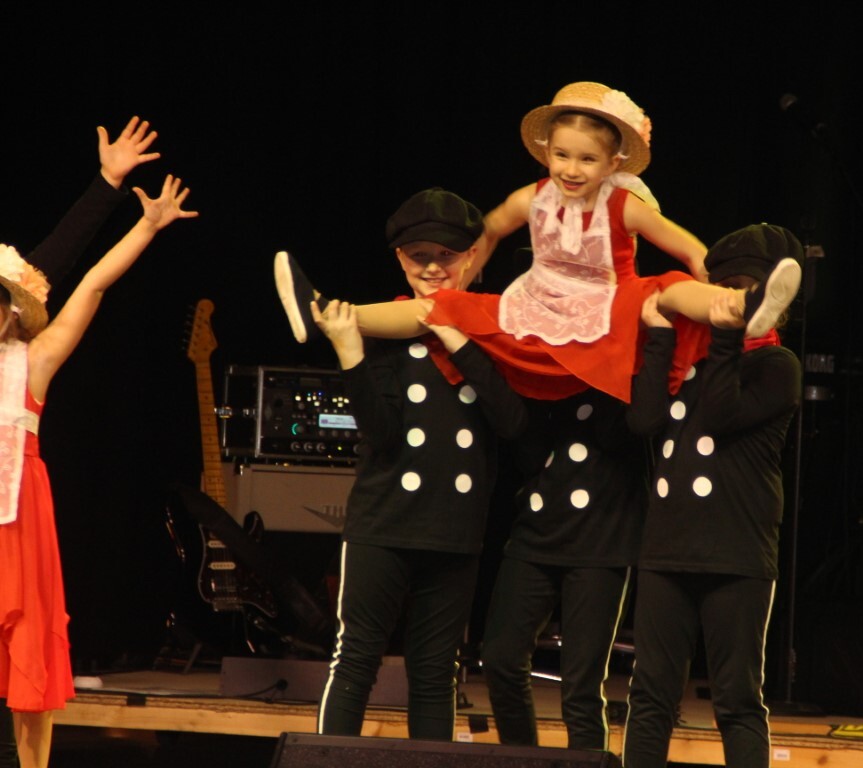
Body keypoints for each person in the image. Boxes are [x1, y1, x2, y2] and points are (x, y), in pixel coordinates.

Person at [275, 82, 801, 403]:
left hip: (609, 304)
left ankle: (744, 305)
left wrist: (709, 283)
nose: (572, 169)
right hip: (540, 305)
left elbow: (686, 246)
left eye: (588, 160)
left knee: (668, 287)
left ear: (612, 164)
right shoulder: (531, 198)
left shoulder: (622, 205)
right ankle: (324, 311)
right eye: (562, 156)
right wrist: (466, 275)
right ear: (547, 151)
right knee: (440, 307)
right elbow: (491, 228)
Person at [314, 189, 528, 741]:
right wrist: (351, 354)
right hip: (384, 522)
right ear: (400, 259)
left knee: (435, 671)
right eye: (419, 256)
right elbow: (382, 435)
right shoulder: (384, 330)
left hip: (454, 529)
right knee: (357, 657)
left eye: (446, 255)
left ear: (471, 256)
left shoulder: (492, 328)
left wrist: (459, 341)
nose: (433, 267)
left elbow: (512, 421)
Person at [0, 175, 197, 768]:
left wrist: (146, 227)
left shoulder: (31, 362)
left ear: (10, 316)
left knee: (29, 653)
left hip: (17, 523)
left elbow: (91, 284)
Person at [621, 224, 803, 768]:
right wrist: (660, 339)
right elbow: (643, 421)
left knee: (737, 699)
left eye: (745, 289)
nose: (729, 300)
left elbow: (722, 415)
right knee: (650, 697)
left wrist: (724, 339)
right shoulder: (691, 362)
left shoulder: (777, 366)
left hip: (735, 554)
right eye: (723, 288)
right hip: (666, 549)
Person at [480, 381, 647, 750]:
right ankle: (521, 759)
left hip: (603, 540)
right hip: (536, 531)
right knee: (500, 658)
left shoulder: (622, 372)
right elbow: (528, 453)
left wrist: (593, 371)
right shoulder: (546, 375)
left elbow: (615, 435)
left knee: (581, 688)